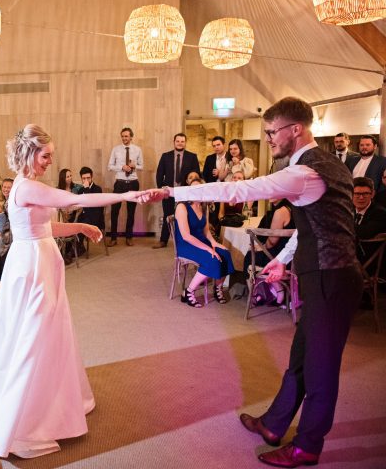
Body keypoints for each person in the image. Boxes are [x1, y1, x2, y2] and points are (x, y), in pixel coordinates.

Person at [149, 97, 363, 467]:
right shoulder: (325, 166)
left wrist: (173, 192)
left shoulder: (304, 172)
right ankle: (274, 423)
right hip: (325, 276)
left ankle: (307, 447)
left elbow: (240, 190)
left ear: (295, 129)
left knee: (320, 369)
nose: (267, 139)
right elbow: (310, 227)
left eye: (271, 132)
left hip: (331, 278)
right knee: (300, 359)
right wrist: (280, 261)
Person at [0, 124, 148, 458]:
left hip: (42, 261)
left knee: (48, 332)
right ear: (30, 153)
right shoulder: (25, 188)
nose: (51, 161)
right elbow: (76, 198)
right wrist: (127, 195)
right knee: (30, 336)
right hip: (32, 267)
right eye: (46, 155)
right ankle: (19, 420)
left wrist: (80, 225)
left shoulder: (31, 186)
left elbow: (46, 226)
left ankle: (51, 404)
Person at [173, 175, 234, 307]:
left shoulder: (202, 206)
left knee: (225, 253)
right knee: (212, 258)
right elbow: (186, 236)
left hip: (201, 242)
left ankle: (217, 288)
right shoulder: (182, 207)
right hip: (186, 245)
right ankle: (188, 292)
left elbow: (206, 231)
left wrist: (214, 243)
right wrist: (208, 248)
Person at [245, 198, 295, 307]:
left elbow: (272, 241)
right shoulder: (294, 208)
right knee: (257, 253)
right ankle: (278, 289)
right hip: (292, 259)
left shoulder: (280, 211)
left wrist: (262, 247)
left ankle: (256, 294)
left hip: (280, 260)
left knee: (249, 256)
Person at [154, 133, 200, 248]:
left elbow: (196, 175)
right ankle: (163, 240)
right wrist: (162, 190)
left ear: (185, 142)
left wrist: (192, 190)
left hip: (185, 192)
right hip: (169, 191)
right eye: (178, 141)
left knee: (185, 216)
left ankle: (186, 240)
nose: (180, 143)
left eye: (182, 141)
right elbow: (159, 174)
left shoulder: (192, 156)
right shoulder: (165, 156)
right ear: (174, 142)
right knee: (167, 215)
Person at [107, 127, 143, 246]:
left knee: (131, 212)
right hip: (120, 183)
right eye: (122, 136)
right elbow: (110, 166)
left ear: (131, 137)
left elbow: (142, 166)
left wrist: (135, 165)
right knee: (114, 211)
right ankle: (113, 238)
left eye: (126, 136)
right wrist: (121, 167)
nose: (124, 138)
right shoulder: (115, 149)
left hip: (133, 183)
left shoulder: (137, 149)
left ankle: (129, 237)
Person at [75, 166, 105, 253]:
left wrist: (87, 189)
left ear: (92, 177)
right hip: (85, 216)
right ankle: (75, 248)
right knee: (72, 225)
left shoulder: (97, 189)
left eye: (88, 178)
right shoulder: (81, 190)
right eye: (84, 178)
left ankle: (75, 250)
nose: (86, 180)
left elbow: (92, 204)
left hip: (95, 217)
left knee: (81, 225)